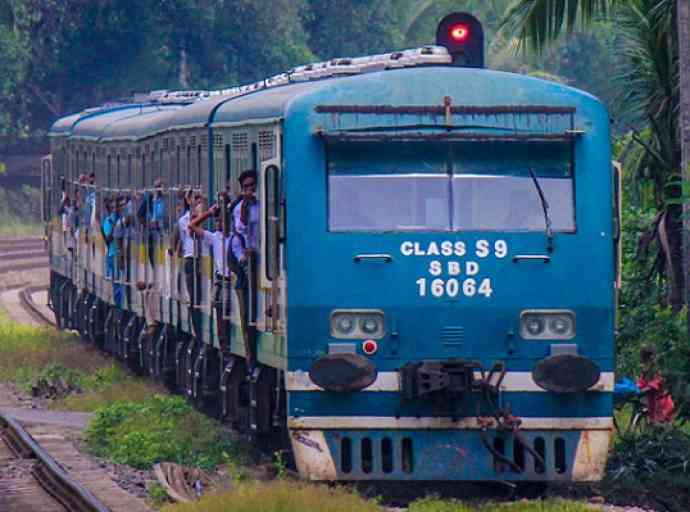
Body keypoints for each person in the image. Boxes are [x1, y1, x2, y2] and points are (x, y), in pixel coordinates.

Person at [189, 198, 233, 353]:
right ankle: (223, 347)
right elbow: (192, 225)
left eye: (219, 220)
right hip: (221, 281)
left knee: (229, 316)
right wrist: (208, 212)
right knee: (220, 316)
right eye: (215, 220)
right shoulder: (214, 237)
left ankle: (227, 345)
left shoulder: (234, 238)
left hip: (233, 282)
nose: (216, 223)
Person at [231, 170, 259, 365]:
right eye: (247, 187)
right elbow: (240, 229)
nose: (251, 190)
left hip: (266, 257)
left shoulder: (264, 204)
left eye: (253, 186)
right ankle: (249, 349)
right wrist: (245, 205)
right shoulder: (239, 208)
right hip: (249, 259)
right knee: (247, 305)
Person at [638, 346, 675, 423]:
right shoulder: (645, 370)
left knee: (662, 428)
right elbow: (641, 382)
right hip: (653, 405)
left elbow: (656, 383)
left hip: (663, 405)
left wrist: (643, 390)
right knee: (653, 425)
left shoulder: (658, 370)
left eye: (644, 359)